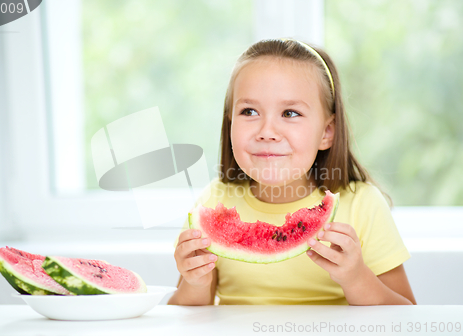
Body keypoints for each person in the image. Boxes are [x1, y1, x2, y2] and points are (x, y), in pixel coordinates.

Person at [167, 38, 416, 306]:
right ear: (230, 122)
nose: (267, 132)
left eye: (290, 113)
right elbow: (187, 314)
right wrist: (195, 282)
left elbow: (405, 313)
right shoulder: (214, 201)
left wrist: (356, 278)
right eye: (249, 111)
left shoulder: (361, 205)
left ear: (327, 132)